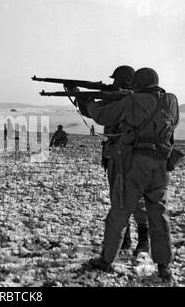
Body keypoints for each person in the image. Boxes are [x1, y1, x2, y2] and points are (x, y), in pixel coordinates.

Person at [78, 67, 179, 282]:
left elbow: (103, 115)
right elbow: (172, 123)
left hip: (135, 164)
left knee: (120, 211)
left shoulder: (133, 101)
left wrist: (87, 102)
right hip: (161, 164)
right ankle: (164, 266)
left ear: (138, 84)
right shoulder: (171, 100)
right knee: (159, 215)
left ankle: (106, 260)